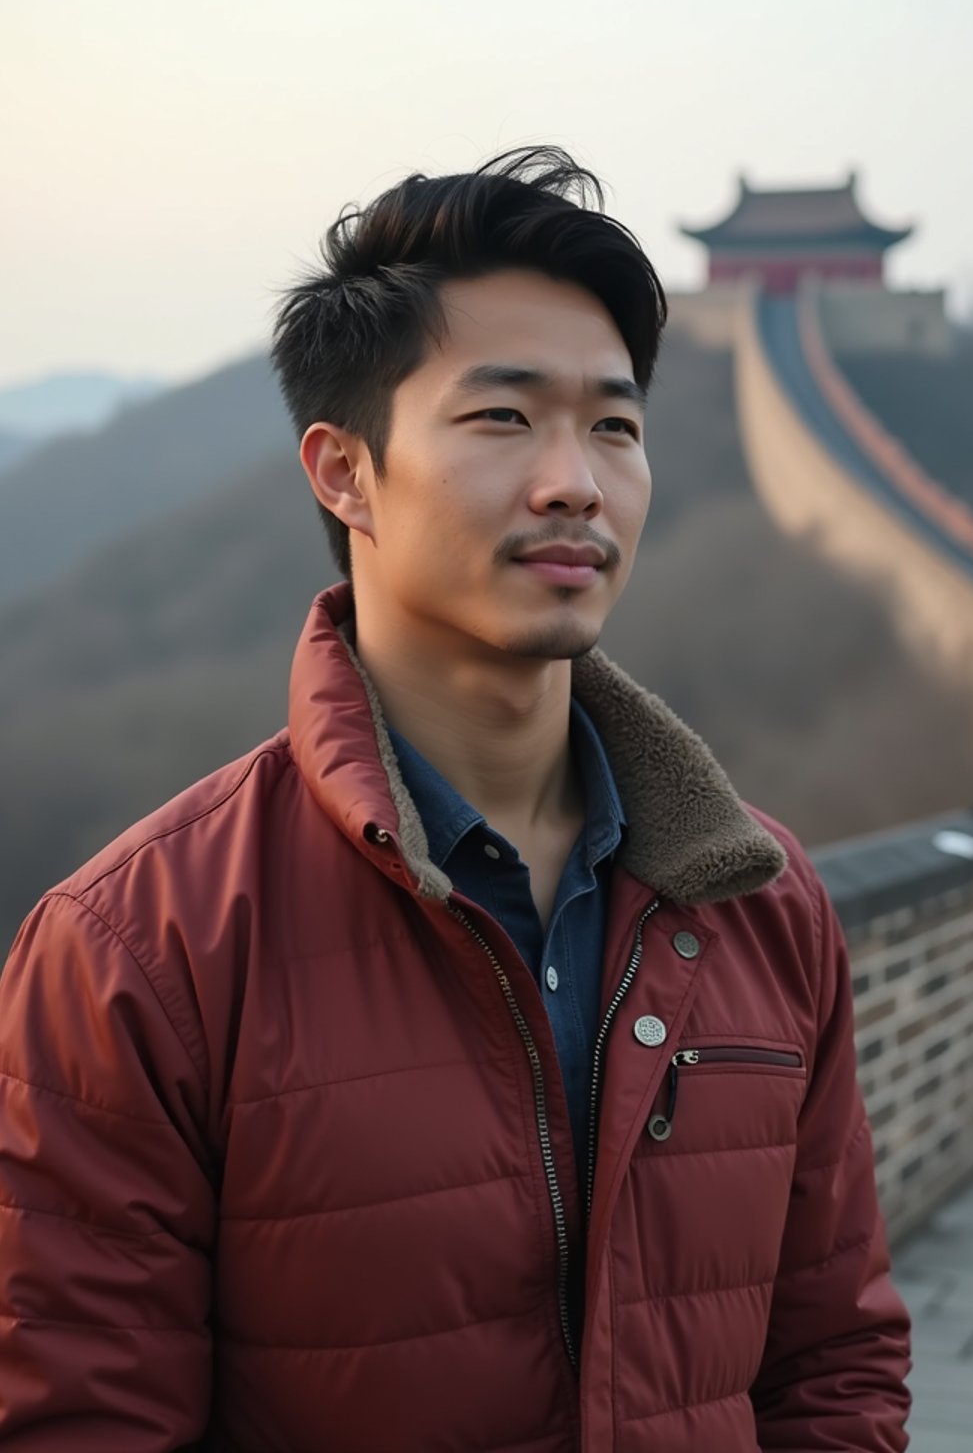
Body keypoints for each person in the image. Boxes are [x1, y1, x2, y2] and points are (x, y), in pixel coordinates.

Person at [0, 147, 911, 1450]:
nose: (575, 482)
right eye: (504, 418)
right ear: (344, 472)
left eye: (615, 425)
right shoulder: (140, 950)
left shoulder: (757, 895)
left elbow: (837, 1358)